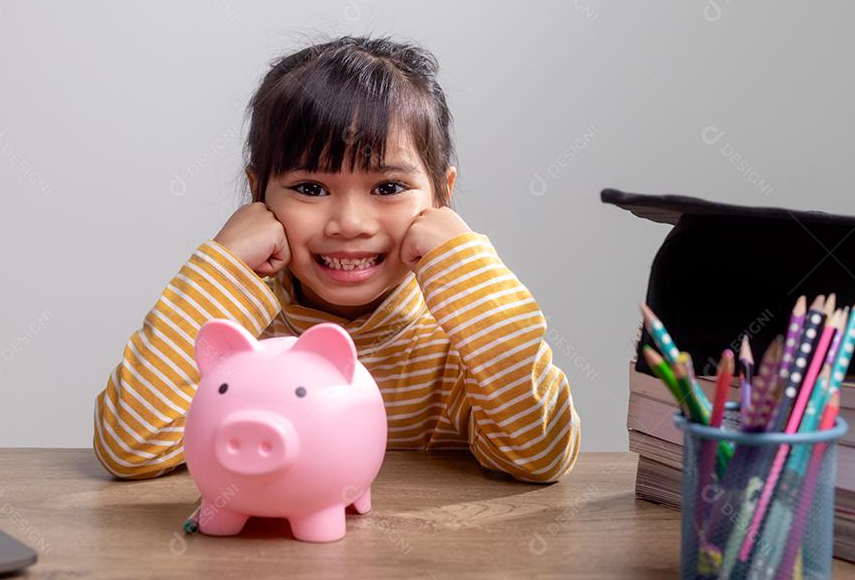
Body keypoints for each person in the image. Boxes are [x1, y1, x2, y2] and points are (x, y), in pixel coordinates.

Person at [93, 35, 580, 483]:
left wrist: (467, 265)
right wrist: (223, 266)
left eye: (388, 188)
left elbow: (539, 455)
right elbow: (128, 448)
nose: (349, 223)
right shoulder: (239, 323)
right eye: (311, 188)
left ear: (441, 196)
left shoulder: (459, 332)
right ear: (258, 193)